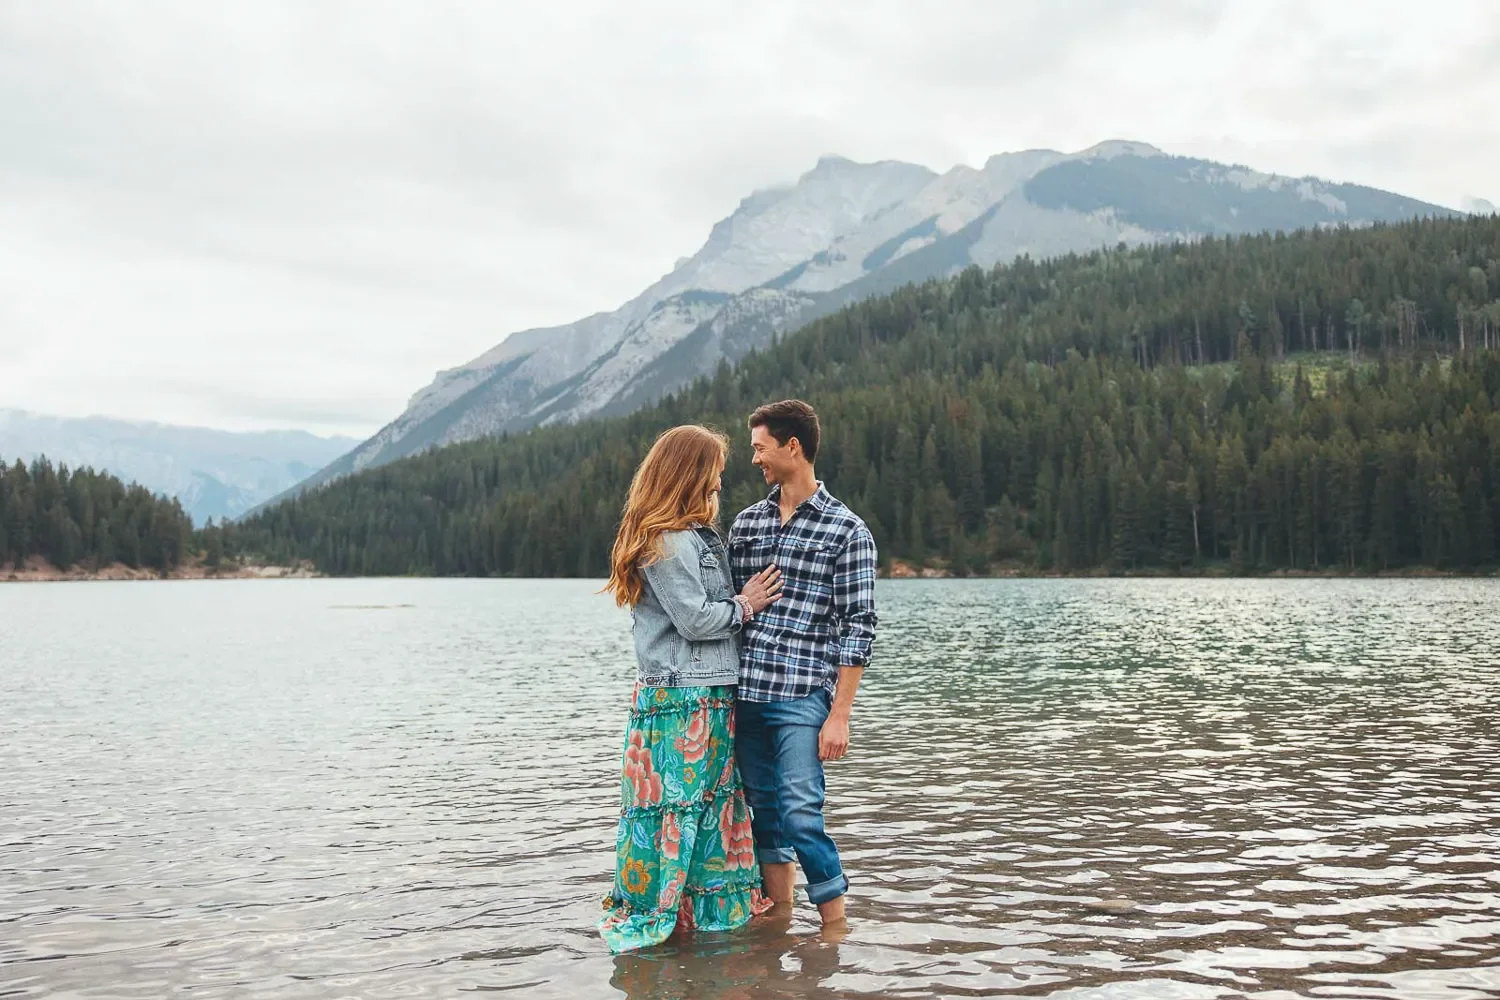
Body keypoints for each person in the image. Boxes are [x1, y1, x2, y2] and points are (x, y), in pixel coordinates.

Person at [598, 424, 784, 954]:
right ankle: (668, 916)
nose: (719, 485)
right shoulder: (665, 540)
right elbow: (695, 620)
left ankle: (702, 919)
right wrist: (747, 603)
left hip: (707, 694)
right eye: (714, 474)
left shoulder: (693, 535)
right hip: (680, 699)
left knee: (707, 809)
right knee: (676, 808)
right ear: (689, 473)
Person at [728, 400, 878, 927]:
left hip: (801, 697)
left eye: (760, 448)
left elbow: (859, 627)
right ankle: (781, 925)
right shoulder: (747, 523)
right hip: (745, 696)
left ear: (793, 447)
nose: (754, 459)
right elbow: (727, 606)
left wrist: (840, 715)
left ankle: (835, 931)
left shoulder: (847, 530)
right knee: (764, 814)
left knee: (800, 814)